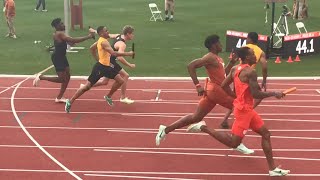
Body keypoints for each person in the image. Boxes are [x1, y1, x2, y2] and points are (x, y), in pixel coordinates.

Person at [187, 46, 289, 176]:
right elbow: (256, 94)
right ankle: (203, 127)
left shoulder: (236, 69)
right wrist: (275, 93)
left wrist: (236, 97)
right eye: (252, 54)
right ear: (247, 57)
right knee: (233, 143)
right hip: (243, 112)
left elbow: (223, 85)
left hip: (247, 109)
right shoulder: (250, 72)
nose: (255, 57)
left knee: (266, 134)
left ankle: (272, 169)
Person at [155, 35, 253, 154]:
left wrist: (232, 62)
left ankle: (165, 130)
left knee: (196, 117)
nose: (221, 45)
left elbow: (223, 75)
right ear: (213, 45)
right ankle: (237, 142)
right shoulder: (209, 57)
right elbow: (191, 66)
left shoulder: (217, 58)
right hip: (217, 91)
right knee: (238, 108)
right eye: (219, 43)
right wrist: (197, 85)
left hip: (213, 91)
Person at [65, 26, 135, 113]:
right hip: (100, 68)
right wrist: (128, 53)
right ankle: (70, 101)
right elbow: (113, 53)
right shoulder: (103, 42)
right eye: (106, 31)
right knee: (87, 87)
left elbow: (92, 48)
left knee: (121, 81)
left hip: (108, 66)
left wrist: (97, 59)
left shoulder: (101, 39)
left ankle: (108, 96)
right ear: (102, 34)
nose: (108, 32)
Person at [33, 18, 95, 103]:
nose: (64, 25)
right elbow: (72, 40)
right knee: (62, 79)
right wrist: (88, 36)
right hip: (58, 58)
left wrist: (70, 42)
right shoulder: (59, 34)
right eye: (61, 24)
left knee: (68, 76)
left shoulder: (60, 34)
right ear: (57, 26)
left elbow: (69, 42)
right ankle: (41, 77)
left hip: (62, 56)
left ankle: (59, 97)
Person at [220, 32, 268, 129]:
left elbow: (236, 59)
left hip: (238, 74)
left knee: (238, 98)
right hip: (249, 76)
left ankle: (225, 119)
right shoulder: (260, 51)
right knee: (257, 97)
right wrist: (264, 80)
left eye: (247, 38)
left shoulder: (245, 48)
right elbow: (264, 66)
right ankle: (247, 113)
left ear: (249, 39)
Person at [86, 25, 136, 104]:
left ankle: (86, 86)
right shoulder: (122, 44)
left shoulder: (117, 35)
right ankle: (122, 97)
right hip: (110, 61)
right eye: (132, 33)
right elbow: (119, 57)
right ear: (127, 34)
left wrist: (94, 30)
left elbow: (104, 34)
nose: (133, 35)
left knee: (104, 82)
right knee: (125, 76)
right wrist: (129, 65)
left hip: (110, 60)